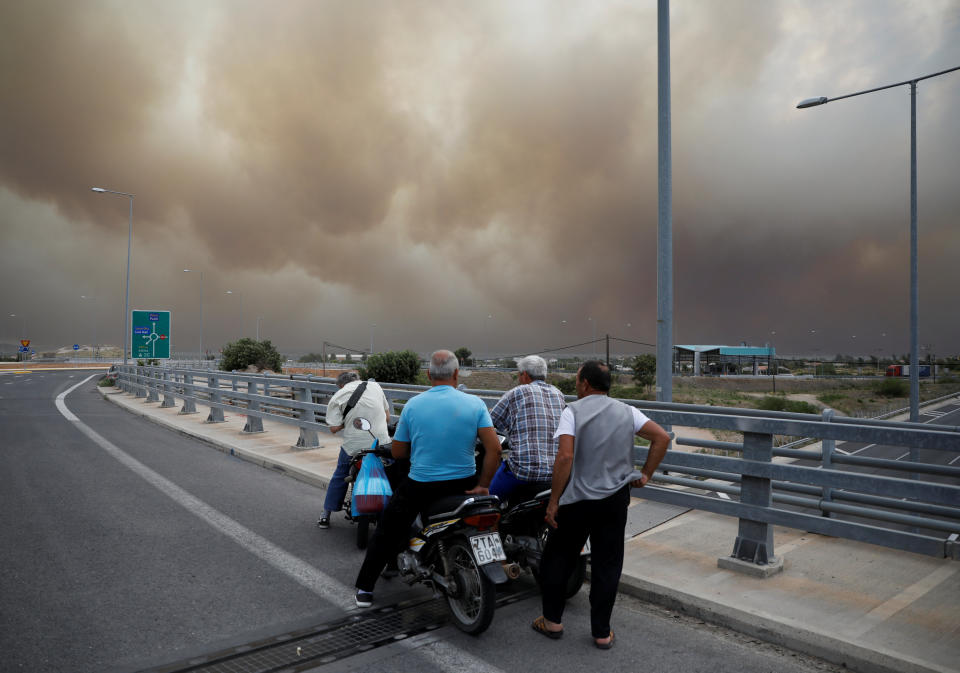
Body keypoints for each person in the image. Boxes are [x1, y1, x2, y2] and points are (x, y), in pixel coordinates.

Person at [531, 360, 670, 649]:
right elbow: (662, 437)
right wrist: (645, 474)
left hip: (578, 500)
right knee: (608, 564)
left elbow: (565, 458)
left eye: (578, 380)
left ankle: (552, 621)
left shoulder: (572, 412)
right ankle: (602, 633)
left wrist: (554, 501)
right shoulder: (627, 411)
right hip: (615, 500)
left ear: (584, 384)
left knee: (558, 557)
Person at [353, 350, 502, 608]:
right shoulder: (475, 404)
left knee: (387, 530)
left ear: (428, 374)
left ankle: (365, 588)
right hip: (465, 483)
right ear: (457, 374)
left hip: (422, 485)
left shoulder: (414, 405)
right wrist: (483, 485)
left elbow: (398, 452)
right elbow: (495, 449)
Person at [317, 371, 392, 529]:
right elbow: (387, 418)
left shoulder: (338, 395)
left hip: (353, 447)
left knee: (340, 475)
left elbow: (333, 428)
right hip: (380, 444)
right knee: (392, 472)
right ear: (358, 380)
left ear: (341, 385)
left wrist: (349, 421)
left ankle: (326, 515)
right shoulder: (375, 386)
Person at [489, 355, 566, 502]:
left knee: (488, 503)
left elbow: (490, 423)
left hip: (523, 473)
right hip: (555, 474)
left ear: (524, 374)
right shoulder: (559, 394)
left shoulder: (517, 392)